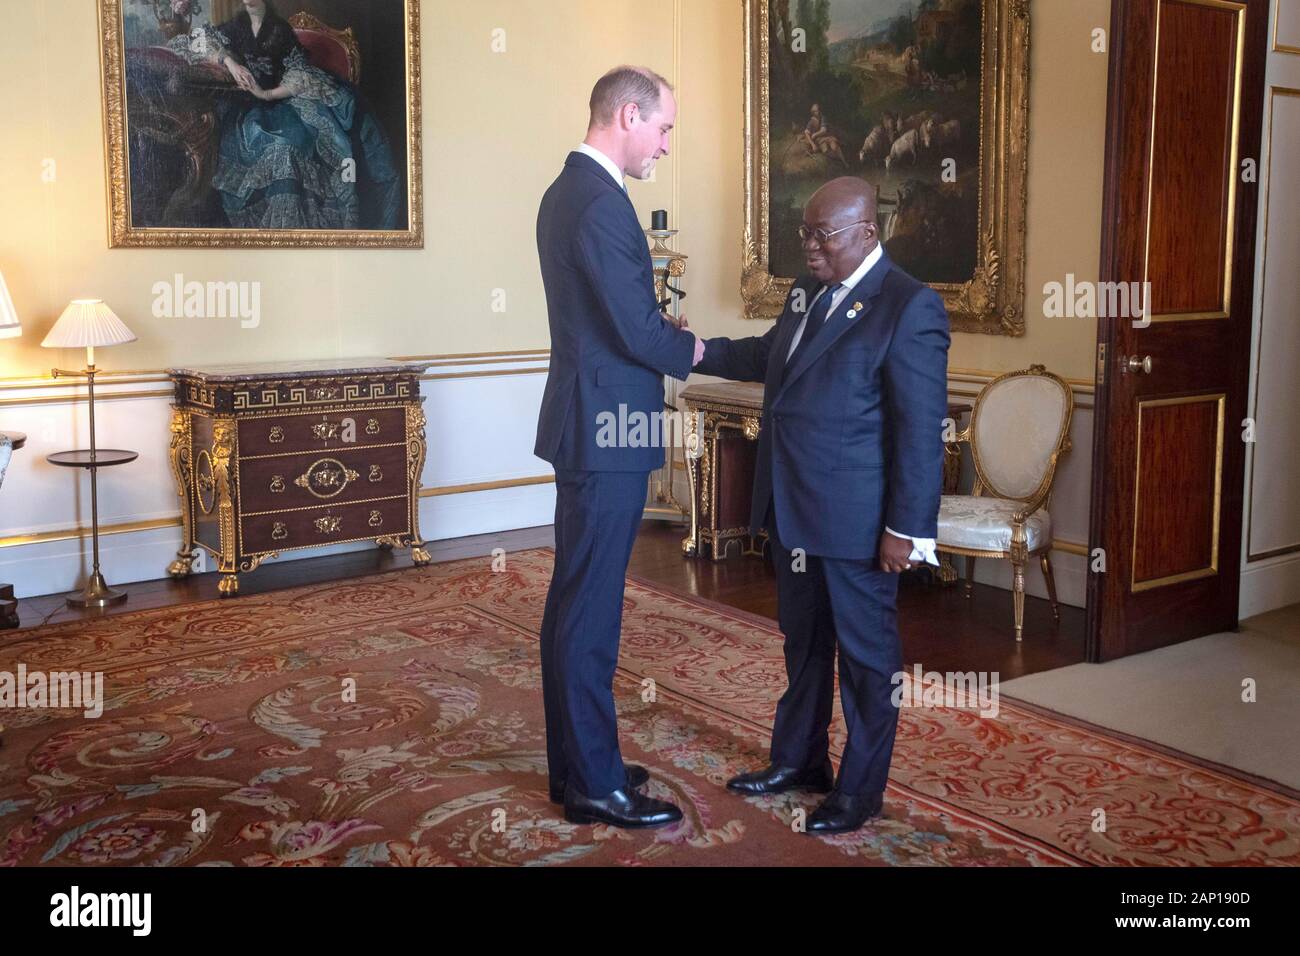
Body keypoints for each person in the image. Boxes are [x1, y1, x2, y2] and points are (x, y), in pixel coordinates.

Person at [694, 177, 950, 834]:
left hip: (860, 525)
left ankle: (859, 794)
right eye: (804, 233)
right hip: (794, 512)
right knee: (804, 646)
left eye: (822, 235)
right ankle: (801, 761)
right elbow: (770, 356)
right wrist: (698, 350)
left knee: (867, 663)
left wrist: (907, 530)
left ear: (868, 232)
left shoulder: (907, 306)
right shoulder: (808, 292)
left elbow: (920, 430)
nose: (809, 247)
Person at [533, 66, 705, 829]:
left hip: (591, 422)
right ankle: (596, 784)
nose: (666, 145)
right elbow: (640, 331)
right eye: (664, 128)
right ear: (628, 115)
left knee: (574, 600)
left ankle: (577, 767)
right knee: (592, 611)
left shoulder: (568, 191)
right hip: (608, 430)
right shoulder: (601, 204)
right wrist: (703, 350)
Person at [173, 0, 401, 229]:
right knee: (242, 146)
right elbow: (198, 42)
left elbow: (299, 72)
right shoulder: (234, 27)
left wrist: (266, 94)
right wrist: (231, 63)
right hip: (242, 111)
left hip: (279, 103)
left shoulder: (280, 30)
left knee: (291, 144)